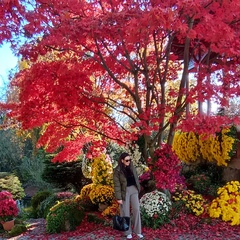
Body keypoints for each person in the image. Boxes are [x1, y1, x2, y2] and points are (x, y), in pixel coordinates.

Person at [113, 152, 144, 239]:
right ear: (122, 160)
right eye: (127, 160)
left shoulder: (131, 167)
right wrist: (118, 198)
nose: (129, 161)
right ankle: (127, 232)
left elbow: (136, 178)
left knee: (137, 209)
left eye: (129, 160)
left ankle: (138, 231)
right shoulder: (117, 170)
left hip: (134, 189)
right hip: (124, 191)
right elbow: (117, 185)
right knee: (125, 212)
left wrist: (138, 188)